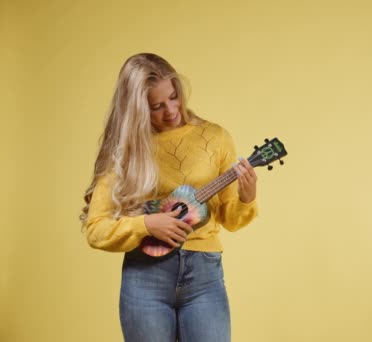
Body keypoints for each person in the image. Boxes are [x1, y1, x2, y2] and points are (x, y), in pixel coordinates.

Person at [80, 53, 258, 342]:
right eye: (156, 106)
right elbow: (95, 228)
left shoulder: (215, 137)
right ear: (136, 110)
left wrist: (247, 198)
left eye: (174, 97)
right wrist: (147, 226)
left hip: (205, 276)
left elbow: (232, 220)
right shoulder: (125, 151)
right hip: (145, 278)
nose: (171, 110)